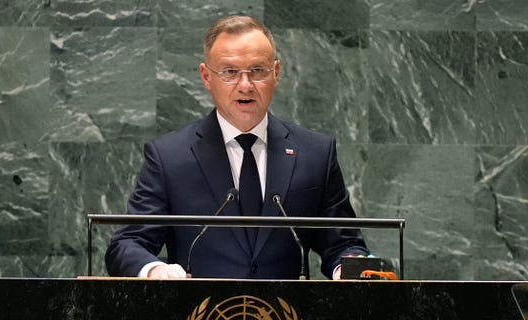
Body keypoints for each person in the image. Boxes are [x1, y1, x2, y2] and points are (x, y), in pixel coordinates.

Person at [105, 15, 369, 280]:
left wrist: (351, 270)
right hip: (201, 318)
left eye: (257, 71)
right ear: (207, 77)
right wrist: (157, 271)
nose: (245, 85)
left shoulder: (315, 154)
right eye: (230, 72)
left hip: (286, 318)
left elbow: (344, 244)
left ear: (275, 73)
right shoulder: (169, 157)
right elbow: (128, 243)